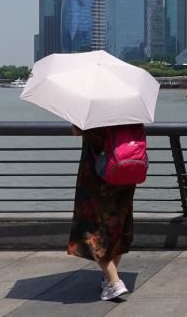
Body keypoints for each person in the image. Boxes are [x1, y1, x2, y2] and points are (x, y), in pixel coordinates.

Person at [67, 125, 136, 301]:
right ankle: (109, 277)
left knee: (92, 229)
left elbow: (75, 131)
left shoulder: (91, 115)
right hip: (124, 170)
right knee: (118, 225)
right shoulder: (129, 110)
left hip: (96, 176)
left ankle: (114, 282)